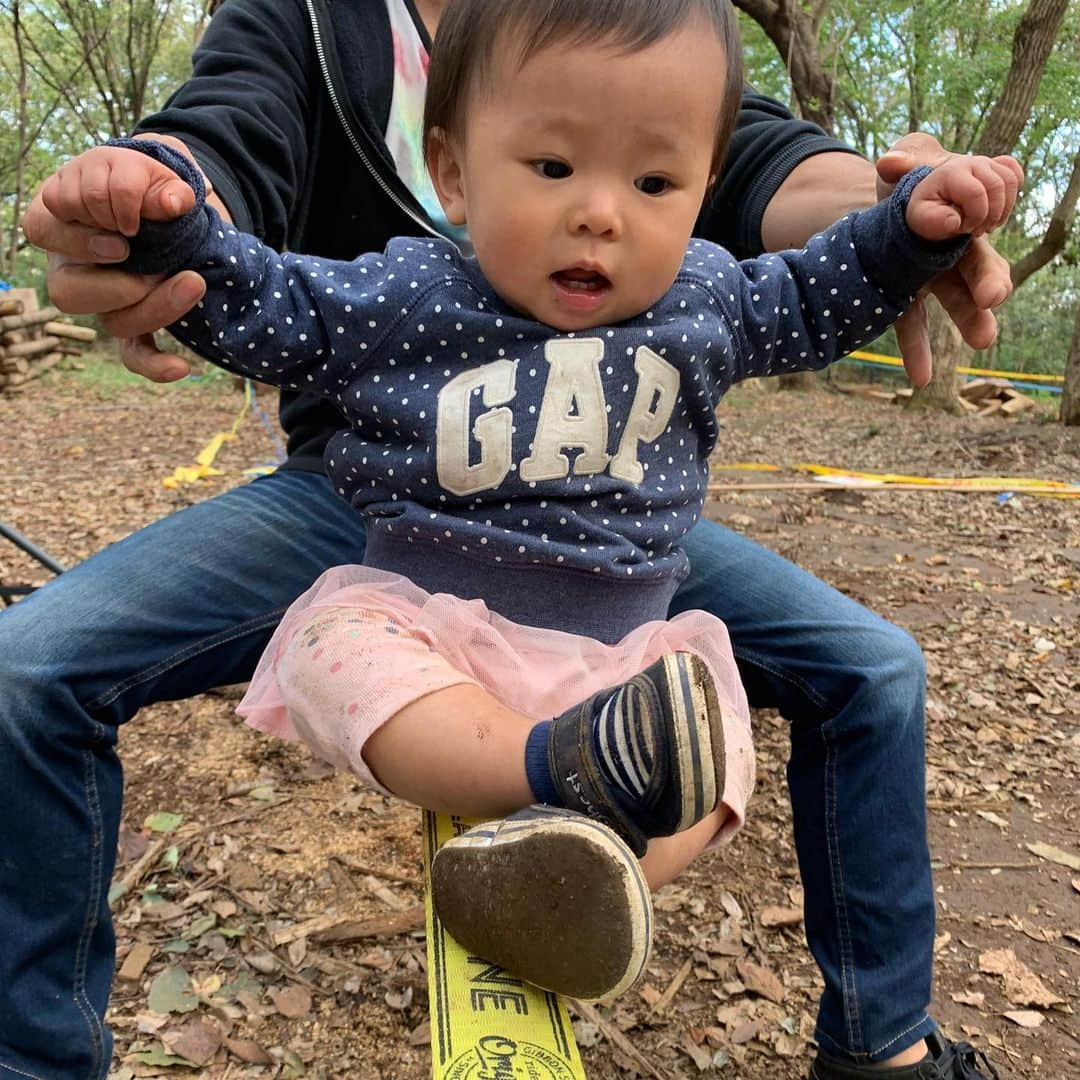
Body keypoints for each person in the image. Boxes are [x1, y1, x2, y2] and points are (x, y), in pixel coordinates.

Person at [8, 1, 1014, 1078]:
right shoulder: (401, 286)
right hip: (404, 542)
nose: (600, 216)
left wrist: (911, 226)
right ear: (453, 171)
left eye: (655, 186)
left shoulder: (707, 293)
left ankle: (650, 912)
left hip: (622, 577)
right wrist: (162, 215)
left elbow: (821, 278)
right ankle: (549, 780)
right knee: (157, 657)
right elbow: (266, 289)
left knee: (787, 700)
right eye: (548, 166)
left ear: (699, 189)